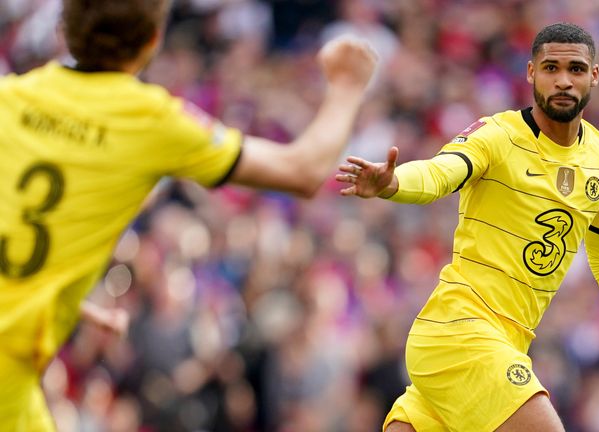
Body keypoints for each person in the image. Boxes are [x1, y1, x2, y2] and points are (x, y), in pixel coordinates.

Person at [0, 0, 377, 429]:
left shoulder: (9, 97)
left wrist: (57, 296)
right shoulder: (153, 121)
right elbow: (304, 170)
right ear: (152, 41)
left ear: (63, 28)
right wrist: (348, 86)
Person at [337, 22, 599, 432]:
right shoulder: (497, 136)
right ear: (530, 73)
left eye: (575, 69)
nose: (562, 80)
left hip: (498, 348)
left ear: (593, 76)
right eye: (550, 68)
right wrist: (393, 184)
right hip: (461, 333)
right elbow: (440, 173)